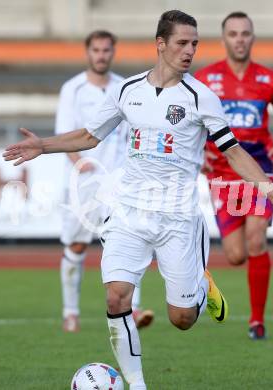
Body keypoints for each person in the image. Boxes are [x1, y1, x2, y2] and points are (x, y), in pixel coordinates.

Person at [3, 10, 273, 389]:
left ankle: (200, 286)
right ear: (160, 44)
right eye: (182, 42)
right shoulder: (128, 90)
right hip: (129, 212)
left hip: (176, 216)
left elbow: (233, 152)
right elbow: (89, 136)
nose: (190, 50)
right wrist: (43, 145)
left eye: (194, 43)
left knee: (181, 319)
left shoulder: (201, 97)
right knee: (116, 299)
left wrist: (271, 192)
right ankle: (137, 385)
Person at [194, 11, 273, 340]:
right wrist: (198, 156)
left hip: (259, 168)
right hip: (223, 172)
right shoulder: (203, 79)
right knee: (236, 256)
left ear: (252, 38)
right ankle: (203, 281)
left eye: (245, 33)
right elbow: (191, 125)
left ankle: (257, 321)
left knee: (257, 240)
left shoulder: (270, 79)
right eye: (233, 34)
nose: (239, 39)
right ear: (224, 38)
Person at [55, 30, 154, 332]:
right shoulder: (72, 89)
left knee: (129, 244)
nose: (101, 55)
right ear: (88, 53)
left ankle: (132, 309)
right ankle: (71, 312)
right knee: (77, 246)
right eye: (96, 50)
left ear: (113, 52)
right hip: (83, 183)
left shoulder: (124, 88)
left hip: (120, 183)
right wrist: (81, 166)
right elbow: (64, 133)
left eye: (106, 50)